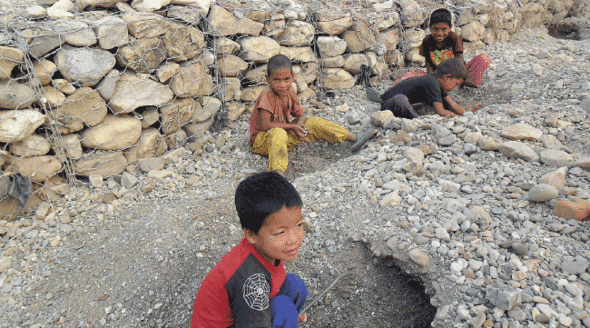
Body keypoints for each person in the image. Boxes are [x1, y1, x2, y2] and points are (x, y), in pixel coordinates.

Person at [191, 172, 309, 327]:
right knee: (283, 308)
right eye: (280, 232)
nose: (293, 239)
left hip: (244, 314)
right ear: (251, 235)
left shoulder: (267, 248)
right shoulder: (250, 278)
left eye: (299, 225)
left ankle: (290, 319)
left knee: (295, 285)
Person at [249, 54, 377, 175]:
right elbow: (265, 125)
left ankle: (354, 137)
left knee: (312, 122)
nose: (282, 85)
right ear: (268, 79)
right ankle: (278, 175)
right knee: (278, 133)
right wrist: (293, 127)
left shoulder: (290, 92)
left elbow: (301, 114)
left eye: (286, 79)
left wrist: (299, 125)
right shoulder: (267, 96)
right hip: (263, 141)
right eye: (276, 80)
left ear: (293, 77)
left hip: (283, 137)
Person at [389, 8, 491, 89]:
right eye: (435, 29)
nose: (439, 33)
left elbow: (459, 61)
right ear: (429, 27)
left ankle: (466, 86)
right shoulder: (427, 41)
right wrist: (433, 80)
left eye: (444, 29)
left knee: (484, 58)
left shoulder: (454, 38)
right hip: (438, 77)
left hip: (457, 74)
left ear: (450, 28)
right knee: (408, 76)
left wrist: (454, 78)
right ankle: (391, 91)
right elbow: (428, 64)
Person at [380, 58, 481, 119]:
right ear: (447, 77)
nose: (454, 89)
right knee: (400, 99)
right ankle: (417, 120)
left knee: (445, 101)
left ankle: (415, 117)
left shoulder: (439, 84)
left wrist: (466, 113)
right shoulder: (431, 83)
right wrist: (458, 119)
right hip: (388, 104)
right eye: (455, 84)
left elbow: (452, 104)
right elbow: (441, 111)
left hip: (405, 103)